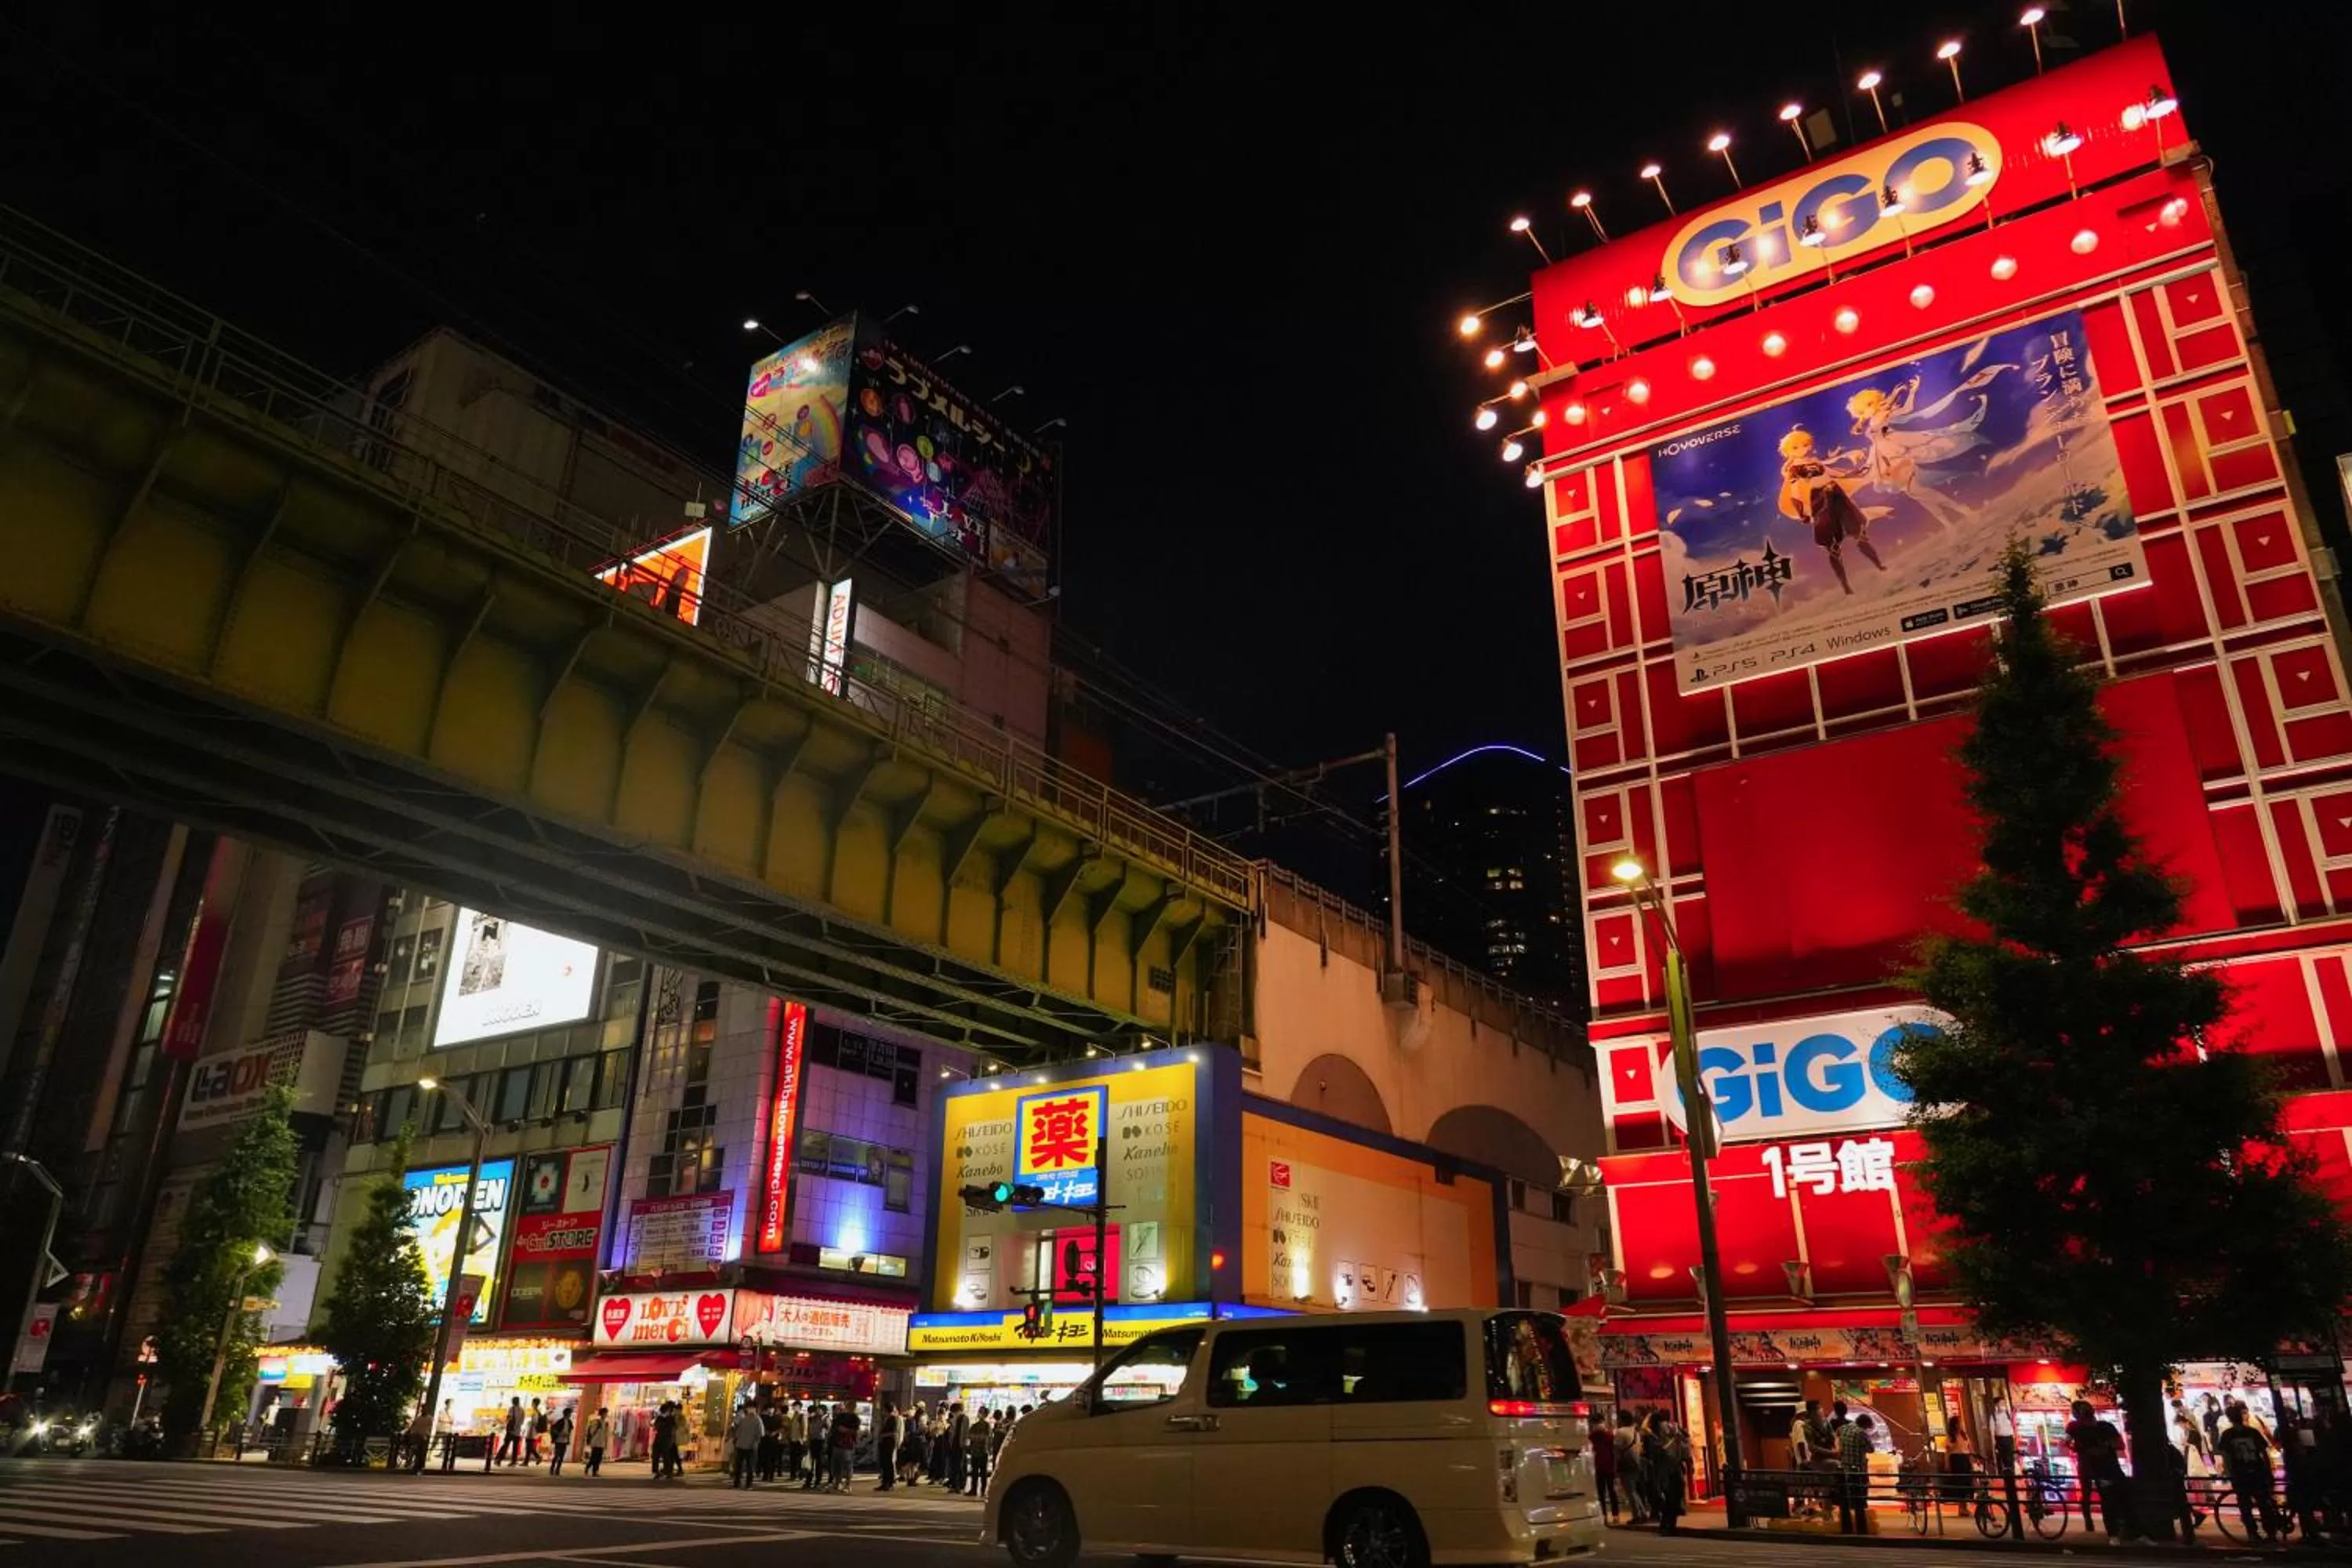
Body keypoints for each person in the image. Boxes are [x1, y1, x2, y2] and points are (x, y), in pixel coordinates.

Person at [1777, 427, 1882, 595]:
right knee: (1833, 547)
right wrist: (1802, 513)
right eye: (1796, 447)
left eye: (1805, 445)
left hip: (1837, 497)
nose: (1803, 449)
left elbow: (1833, 474)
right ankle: (1846, 585)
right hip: (1821, 502)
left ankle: (1879, 565)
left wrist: (1854, 473)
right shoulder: (1794, 470)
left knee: (1859, 533)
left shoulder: (1815, 462)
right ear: (1788, 451)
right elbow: (1795, 492)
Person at [2066, 1399, 2135, 1544]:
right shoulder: (2082, 1428)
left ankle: (2102, 1526)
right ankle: (2113, 1530)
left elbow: (2068, 1443)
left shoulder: (2080, 1428)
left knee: (2108, 1497)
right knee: (2110, 1497)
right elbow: (2117, 1445)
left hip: (2097, 1466)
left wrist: (2080, 1449)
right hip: (2099, 1467)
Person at [2219, 1401, 2282, 1541]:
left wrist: (2230, 1474)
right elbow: (2264, 1453)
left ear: (2229, 1419)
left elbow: (2227, 1458)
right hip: (2258, 1471)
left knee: (2245, 1506)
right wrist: (2268, 1471)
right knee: (2264, 1503)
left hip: (2240, 1474)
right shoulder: (2252, 1432)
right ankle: (2271, 1532)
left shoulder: (2227, 1435)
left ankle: (2253, 1534)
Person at [1643, 1410, 1690, 1535]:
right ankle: (1668, 1526)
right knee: (1672, 1498)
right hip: (1672, 1469)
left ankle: (1667, 1526)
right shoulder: (1672, 1433)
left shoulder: (1653, 1438)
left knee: (1668, 1499)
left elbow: (1651, 1456)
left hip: (1663, 1471)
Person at [1837, 1410, 1876, 1534]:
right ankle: (1861, 1525)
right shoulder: (1861, 1432)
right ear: (1864, 1425)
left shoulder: (1843, 1428)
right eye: (1867, 1428)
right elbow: (1871, 1449)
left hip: (1845, 1468)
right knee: (1860, 1495)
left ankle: (1849, 1523)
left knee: (1848, 1495)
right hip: (1858, 1469)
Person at [1615, 1409, 1649, 1524]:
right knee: (1634, 1490)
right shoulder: (1635, 1432)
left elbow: (1617, 1449)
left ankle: (1637, 1515)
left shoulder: (1620, 1432)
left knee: (1630, 1491)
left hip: (1626, 1463)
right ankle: (1643, 1512)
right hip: (1636, 1462)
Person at [1591, 1410, 1620, 1523]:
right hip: (1610, 1466)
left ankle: (1603, 1515)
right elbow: (1614, 1452)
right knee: (1612, 1492)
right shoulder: (1609, 1436)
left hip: (1599, 1467)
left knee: (1601, 1493)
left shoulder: (1592, 1437)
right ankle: (1616, 1515)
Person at [731, 1402, 765, 1490]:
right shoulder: (743, 1419)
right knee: (738, 1465)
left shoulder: (758, 1420)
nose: (750, 1410)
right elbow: (738, 1432)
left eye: (752, 1408)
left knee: (750, 1466)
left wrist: (756, 1443)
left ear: (756, 1409)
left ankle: (748, 1484)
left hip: (751, 1446)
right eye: (749, 1408)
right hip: (741, 1445)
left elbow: (761, 1434)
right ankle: (737, 1483)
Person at [830, 1401, 861, 1493]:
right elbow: (834, 1427)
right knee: (837, 1464)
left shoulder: (855, 1418)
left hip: (848, 1445)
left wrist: (846, 1430)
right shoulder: (841, 1416)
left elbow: (856, 1431)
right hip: (837, 1443)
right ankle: (838, 1483)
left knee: (847, 1465)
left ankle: (848, 1484)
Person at [875, 1399, 902, 1490]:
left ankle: (890, 1483)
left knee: (888, 1463)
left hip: (889, 1443)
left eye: (883, 1409)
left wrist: (883, 1435)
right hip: (884, 1443)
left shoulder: (893, 1419)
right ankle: (884, 1482)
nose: (882, 1411)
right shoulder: (886, 1419)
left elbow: (894, 1432)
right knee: (884, 1463)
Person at [968, 1406, 994, 1497]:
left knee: (983, 1473)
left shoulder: (987, 1426)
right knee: (974, 1472)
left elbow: (986, 1437)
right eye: (979, 1412)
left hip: (983, 1451)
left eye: (981, 1412)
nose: (979, 1414)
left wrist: (976, 1437)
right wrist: (979, 1437)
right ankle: (974, 1489)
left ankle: (983, 1490)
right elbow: (970, 1435)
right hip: (975, 1451)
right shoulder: (975, 1425)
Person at [653, 1400, 681, 1480]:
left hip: (667, 1439)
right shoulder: (660, 1418)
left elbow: (674, 1428)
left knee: (666, 1456)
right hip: (660, 1438)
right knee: (657, 1455)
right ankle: (659, 1471)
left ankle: (668, 1471)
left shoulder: (671, 1418)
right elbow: (656, 1427)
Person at [946, 1402, 970, 1496]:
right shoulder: (954, 1419)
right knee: (954, 1465)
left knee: (960, 1466)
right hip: (954, 1445)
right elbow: (952, 1432)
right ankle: (955, 1485)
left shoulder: (964, 1418)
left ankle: (960, 1485)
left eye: (954, 1412)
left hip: (960, 1445)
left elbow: (965, 1432)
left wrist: (964, 1444)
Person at [497, 1396, 524, 1466]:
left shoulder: (511, 1409)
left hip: (511, 1431)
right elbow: (522, 1421)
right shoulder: (522, 1410)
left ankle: (499, 1459)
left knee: (505, 1445)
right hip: (518, 1431)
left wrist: (504, 1423)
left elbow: (509, 1417)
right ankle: (513, 1461)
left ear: (513, 1402)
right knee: (515, 1447)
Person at [549, 1404, 574, 1478]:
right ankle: (552, 1468)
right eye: (569, 1414)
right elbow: (554, 1430)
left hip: (564, 1441)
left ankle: (557, 1470)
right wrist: (560, 1434)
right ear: (566, 1414)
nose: (570, 1415)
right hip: (559, 1441)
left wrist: (568, 1438)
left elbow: (570, 1431)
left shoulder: (569, 1422)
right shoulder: (560, 1421)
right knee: (557, 1456)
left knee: (561, 1457)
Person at [583, 1406, 609, 1478]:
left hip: (601, 1443)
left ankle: (595, 1471)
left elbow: (605, 1434)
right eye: (606, 1413)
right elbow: (592, 1432)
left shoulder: (605, 1423)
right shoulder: (597, 1422)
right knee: (594, 1457)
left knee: (599, 1458)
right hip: (595, 1442)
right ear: (603, 1413)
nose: (607, 1414)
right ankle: (589, 1468)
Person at [525, 1398, 547, 1466]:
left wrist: (529, 1422)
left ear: (534, 1403)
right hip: (533, 1431)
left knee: (529, 1447)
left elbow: (534, 1422)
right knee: (529, 1447)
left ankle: (538, 1457)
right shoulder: (537, 1411)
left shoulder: (535, 1411)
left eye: (532, 1402)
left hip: (532, 1431)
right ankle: (526, 1462)